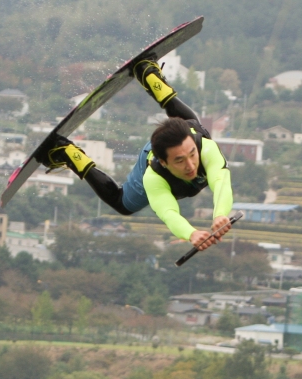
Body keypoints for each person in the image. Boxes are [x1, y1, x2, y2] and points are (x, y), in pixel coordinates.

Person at [47, 59, 233, 250]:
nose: (191, 165)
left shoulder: (207, 149)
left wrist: (220, 214)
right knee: (121, 203)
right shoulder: (154, 177)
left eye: (192, 155)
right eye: (180, 161)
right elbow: (169, 213)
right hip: (153, 153)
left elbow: (221, 184)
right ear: (164, 162)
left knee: (190, 123)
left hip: (184, 134)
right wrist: (191, 233)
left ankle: (149, 75)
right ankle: (66, 152)